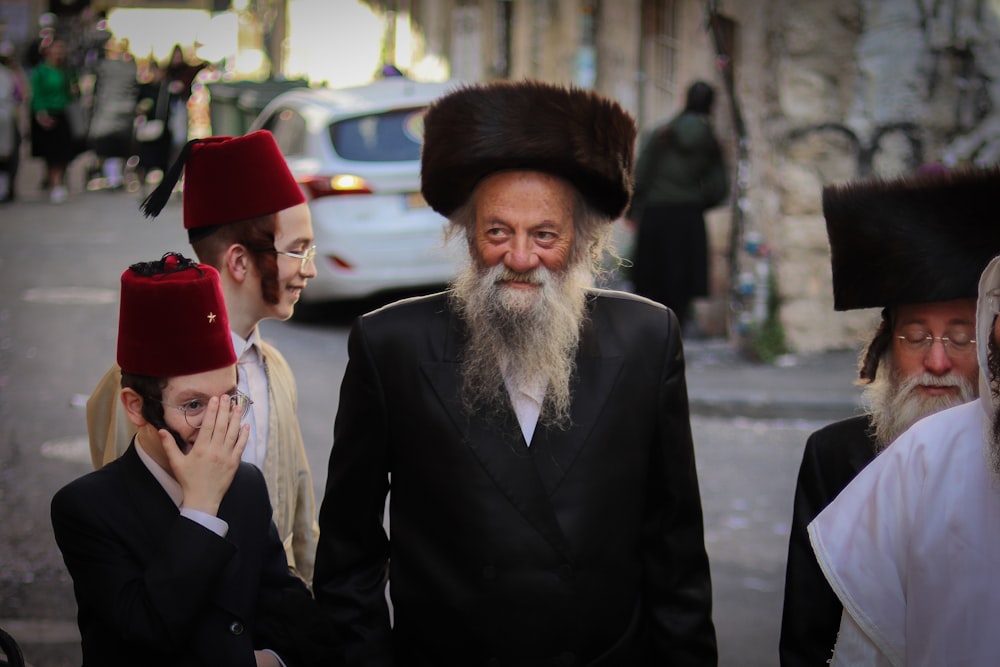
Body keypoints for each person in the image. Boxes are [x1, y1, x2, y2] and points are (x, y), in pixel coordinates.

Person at [313, 80, 717, 665]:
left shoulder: (648, 339)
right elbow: (348, 554)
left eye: (545, 235)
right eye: (497, 231)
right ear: (466, 235)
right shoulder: (390, 345)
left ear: (582, 243)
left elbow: (675, 550)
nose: (521, 258)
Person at [51, 252, 339, 665]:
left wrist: (275, 659)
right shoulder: (87, 508)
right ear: (136, 407)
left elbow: (290, 612)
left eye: (229, 398)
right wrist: (201, 510)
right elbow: (145, 632)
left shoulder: (246, 484)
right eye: (193, 405)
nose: (218, 424)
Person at [780, 165, 1000, 666]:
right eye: (916, 337)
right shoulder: (835, 455)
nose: (937, 361)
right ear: (885, 347)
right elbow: (808, 637)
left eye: (961, 337)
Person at [85, 130, 320, 585]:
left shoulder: (277, 370)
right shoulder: (137, 388)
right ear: (238, 261)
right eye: (297, 249)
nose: (309, 268)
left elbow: (300, 515)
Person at [625, 80, 729, 330]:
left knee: (652, 279)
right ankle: (676, 328)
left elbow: (640, 175)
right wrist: (697, 202)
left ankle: (651, 332)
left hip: (657, 214)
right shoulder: (710, 141)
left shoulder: (662, 134)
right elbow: (719, 187)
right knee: (682, 279)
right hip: (688, 216)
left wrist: (632, 208)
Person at [29, 38, 80, 204]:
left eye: (61, 50)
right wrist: (40, 113)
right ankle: (55, 184)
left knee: (63, 152)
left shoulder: (65, 71)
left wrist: (74, 89)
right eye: (56, 50)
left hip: (61, 113)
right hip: (47, 114)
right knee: (52, 154)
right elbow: (36, 94)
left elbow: (70, 94)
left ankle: (58, 183)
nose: (59, 53)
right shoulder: (41, 71)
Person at [85, 36, 137, 191]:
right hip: (124, 112)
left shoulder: (105, 66)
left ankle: (113, 178)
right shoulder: (130, 66)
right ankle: (115, 178)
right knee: (117, 147)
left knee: (108, 147)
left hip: (108, 112)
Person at [0, 40, 26, 203]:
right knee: (7, 156)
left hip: (8, 118)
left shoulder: (12, 74)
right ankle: (5, 188)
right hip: (7, 118)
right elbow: (20, 96)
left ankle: (5, 188)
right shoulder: (10, 74)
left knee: (7, 155)